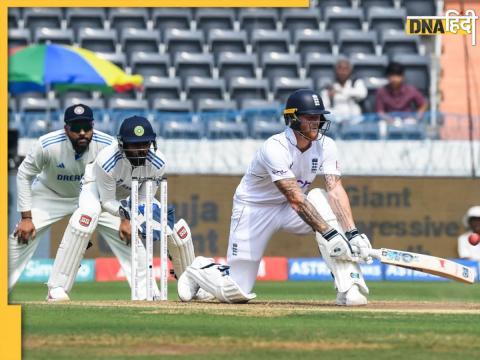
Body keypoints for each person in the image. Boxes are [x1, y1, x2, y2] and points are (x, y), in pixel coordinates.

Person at [177, 89, 372, 306]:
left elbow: (335, 189)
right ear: (293, 118)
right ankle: (201, 269)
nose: (315, 122)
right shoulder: (275, 147)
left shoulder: (327, 145)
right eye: (309, 117)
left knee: (321, 198)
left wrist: (352, 232)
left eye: (318, 117)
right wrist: (329, 233)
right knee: (237, 292)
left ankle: (349, 287)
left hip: (290, 209)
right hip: (255, 208)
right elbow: (295, 198)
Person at [47, 115, 201, 301]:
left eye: (144, 144)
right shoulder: (107, 161)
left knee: (178, 232)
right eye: (134, 145)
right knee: (86, 217)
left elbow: (145, 198)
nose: (140, 150)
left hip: (132, 196)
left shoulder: (158, 163)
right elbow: (108, 201)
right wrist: (126, 218)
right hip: (96, 188)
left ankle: (192, 288)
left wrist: (144, 220)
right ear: (122, 144)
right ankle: (57, 287)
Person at [8, 104, 118, 296]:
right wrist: (26, 218)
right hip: (50, 194)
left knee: (129, 237)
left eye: (87, 127)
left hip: (93, 197)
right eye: (76, 128)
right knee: (20, 239)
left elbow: (118, 180)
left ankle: (146, 293)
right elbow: (24, 175)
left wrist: (125, 219)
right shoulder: (46, 144)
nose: (82, 133)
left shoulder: (108, 145)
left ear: (93, 125)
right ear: (66, 128)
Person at [320, 58, 367, 124]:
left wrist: (340, 91)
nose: (343, 72)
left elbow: (362, 94)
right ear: (336, 71)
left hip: (355, 119)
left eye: (345, 69)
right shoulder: (329, 86)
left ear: (350, 71)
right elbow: (324, 108)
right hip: (336, 121)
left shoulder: (356, 82)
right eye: (340, 69)